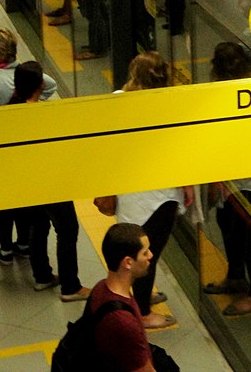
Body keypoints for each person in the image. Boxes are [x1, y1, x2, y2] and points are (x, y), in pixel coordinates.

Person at [96, 52, 191, 328]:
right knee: (148, 254)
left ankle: (138, 295)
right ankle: (144, 312)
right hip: (160, 195)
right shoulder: (171, 107)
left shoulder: (117, 100)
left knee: (134, 250)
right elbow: (179, 152)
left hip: (130, 193)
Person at [13, 61, 90, 303]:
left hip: (27, 182)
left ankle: (43, 275)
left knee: (39, 226)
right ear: (40, 85)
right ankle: (70, 286)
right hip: (51, 182)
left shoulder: (10, 109)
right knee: (67, 230)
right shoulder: (43, 115)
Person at [0, 28, 57, 264]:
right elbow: (50, 85)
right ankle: (23, 243)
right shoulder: (27, 72)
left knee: (2, 203)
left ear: (0, 54)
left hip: (3, 152)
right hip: (27, 151)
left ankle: (5, 249)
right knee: (22, 199)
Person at [204, 42, 251, 317]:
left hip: (250, 182)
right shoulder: (221, 94)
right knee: (228, 226)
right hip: (230, 179)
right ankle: (235, 275)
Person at [88, 222, 158, 371]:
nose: (151, 255)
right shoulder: (123, 322)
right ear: (128, 262)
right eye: (145, 253)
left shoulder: (100, 289)